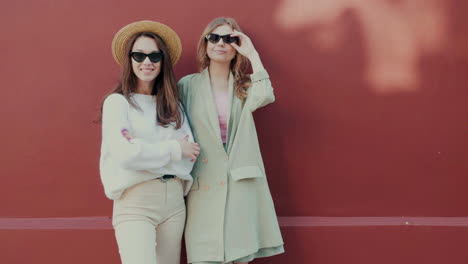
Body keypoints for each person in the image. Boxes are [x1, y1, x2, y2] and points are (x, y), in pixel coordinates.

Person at [178, 17, 284, 264]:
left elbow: (265, 96)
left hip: (239, 181)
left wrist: (252, 53)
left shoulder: (245, 85)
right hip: (202, 181)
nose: (220, 44)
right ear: (205, 43)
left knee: (239, 254)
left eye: (229, 39)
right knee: (204, 254)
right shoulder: (188, 85)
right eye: (214, 38)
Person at [99, 20, 199, 264]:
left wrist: (145, 152)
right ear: (129, 59)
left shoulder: (173, 106)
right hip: (135, 201)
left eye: (154, 55)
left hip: (174, 202)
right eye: (139, 55)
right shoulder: (118, 103)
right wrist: (174, 149)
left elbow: (190, 156)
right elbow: (126, 154)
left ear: (163, 61)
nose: (147, 62)